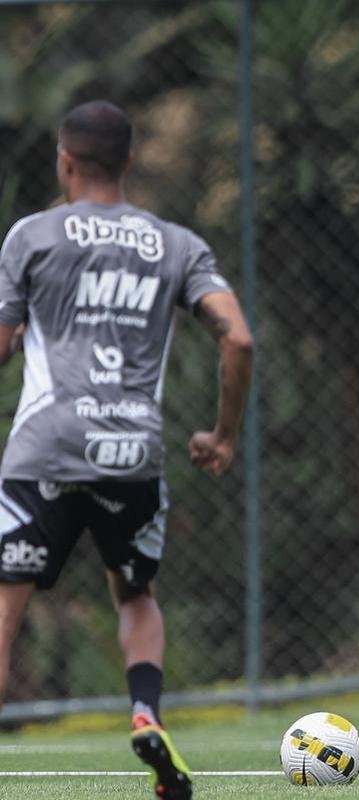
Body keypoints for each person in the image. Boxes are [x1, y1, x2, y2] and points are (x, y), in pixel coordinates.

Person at [0, 100, 253, 800]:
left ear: (66, 162)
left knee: (6, 607)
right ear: (130, 162)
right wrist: (223, 435)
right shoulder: (176, 245)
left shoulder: (31, 235)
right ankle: (145, 712)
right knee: (136, 594)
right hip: (130, 453)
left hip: (45, 448)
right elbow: (238, 338)